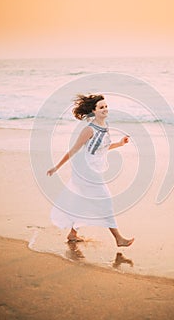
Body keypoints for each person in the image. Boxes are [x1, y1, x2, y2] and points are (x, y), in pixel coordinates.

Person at [47, 94, 134, 247]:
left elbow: (103, 148)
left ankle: (72, 234)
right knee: (105, 201)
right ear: (93, 111)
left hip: (95, 169)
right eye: (101, 107)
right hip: (86, 171)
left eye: (106, 106)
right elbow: (73, 150)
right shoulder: (89, 130)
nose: (105, 109)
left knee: (83, 200)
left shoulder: (105, 126)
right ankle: (119, 239)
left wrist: (120, 143)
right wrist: (56, 167)